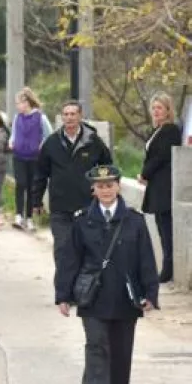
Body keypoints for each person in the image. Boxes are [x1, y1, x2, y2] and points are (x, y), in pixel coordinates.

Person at [55, 165, 159, 384]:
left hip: (125, 298)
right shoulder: (82, 221)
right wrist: (63, 295)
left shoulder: (134, 221)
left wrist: (150, 293)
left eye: (109, 185)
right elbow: (69, 261)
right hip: (93, 297)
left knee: (121, 356)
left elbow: (146, 260)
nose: (106, 191)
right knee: (97, 349)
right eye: (100, 186)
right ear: (93, 189)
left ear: (118, 187)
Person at [32, 100, 113, 266]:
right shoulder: (51, 143)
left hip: (87, 207)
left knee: (87, 253)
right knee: (63, 253)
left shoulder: (93, 142)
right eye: (66, 114)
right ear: (62, 117)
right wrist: (36, 201)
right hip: (60, 208)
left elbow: (108, 168)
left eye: (73, 114)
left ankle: (84, 290)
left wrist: (104, 191)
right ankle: (64, 291)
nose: (69, 118)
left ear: (80, 116)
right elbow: (40, 174)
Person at [138, 92, 182, 284]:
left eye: (160, 108)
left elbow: (161, 157)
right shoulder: (156, 130)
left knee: (167, 229)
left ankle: (168, 269)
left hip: (165, 187)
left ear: (168, 110)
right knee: (161, 229)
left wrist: (144, 174)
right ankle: (166, 267)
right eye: (154, 108)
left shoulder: (171, 130)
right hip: (156, 187)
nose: (156, 111)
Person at [10, 87, 52, 230]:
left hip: (34, 157)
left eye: (19, 103)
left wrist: (42, 145)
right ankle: (18, 215)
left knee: (31, 187)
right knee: (20, 184)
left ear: (27, 102)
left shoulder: (41, 117)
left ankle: (29, 217)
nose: (18, 106)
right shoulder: (17, 117)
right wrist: (12, 141)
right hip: (19, 155)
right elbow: (14, 133)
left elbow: (48, 135)